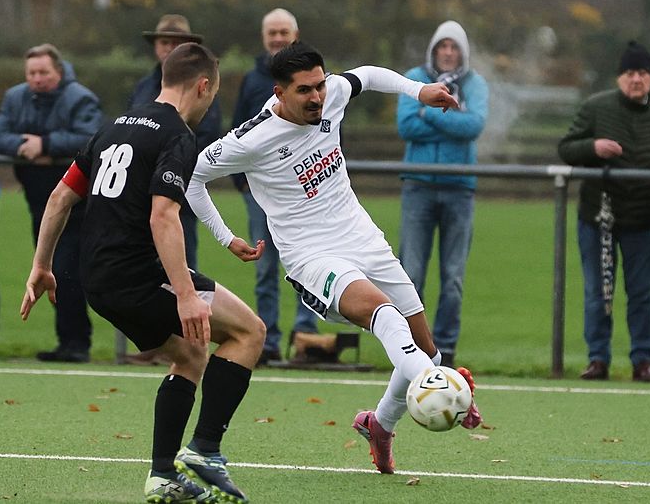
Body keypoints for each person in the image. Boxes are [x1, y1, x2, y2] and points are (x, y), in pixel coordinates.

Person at [185, 42, 482, 475]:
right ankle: (439, 387)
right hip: (312, 257)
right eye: (304, 90)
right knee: (387, 317)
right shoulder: (252, 138)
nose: (317, 97)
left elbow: (370, 75)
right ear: (280, 92)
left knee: (425, 352)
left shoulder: (332, 95)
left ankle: (381, 423)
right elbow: (193, 176)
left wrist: (419, 91)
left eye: (320, 86)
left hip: (362, 238)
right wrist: (226, 237)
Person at [21, 43, 264, 502]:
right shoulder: (177, 135)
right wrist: (187, 295)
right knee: (249, 331)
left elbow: (59, 197)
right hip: (136, 276)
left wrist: (41, 265)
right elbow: (163, 217)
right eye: (213, 94)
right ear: (203, 86)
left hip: (97, 279)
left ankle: (163, 476)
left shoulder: (113, 127)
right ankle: (205, 450)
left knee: (191, 355)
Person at [558, 40, 650, 382]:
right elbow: (566, 148)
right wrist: (593, 147)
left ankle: (643, 361)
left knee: (641, 294)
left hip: (646, 218)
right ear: (619, 78)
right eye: (629, 72)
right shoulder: (595, 107)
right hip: (598, 217)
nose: (636, 79)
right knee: (598, 292)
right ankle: (598, 359)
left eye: (642, 73)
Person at [0, 43, 102, 363]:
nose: (37, 79)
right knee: (49, 269)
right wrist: (24, 146)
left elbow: (92, 137)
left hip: (78, 203)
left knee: (67, 269)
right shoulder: (15, 98)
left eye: (43, 72)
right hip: (37, 200)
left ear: (59, 72)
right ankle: (69, 342)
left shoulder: (81, 98)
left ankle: (76, 343)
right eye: (31, 73)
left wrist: (47, 144)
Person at [396, 20, 489, 368]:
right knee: (410, 274)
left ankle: (445, 349)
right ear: (433, 50)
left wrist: (429, 111)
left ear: (462, 52)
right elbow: (406, 125)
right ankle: (410, 348)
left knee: (453, 277)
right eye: (442, 47)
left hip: (459, 189)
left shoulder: (475, 84)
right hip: (418, 187)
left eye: (454, 47)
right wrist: (451, 118)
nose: (448, 53)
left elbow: (474, 126)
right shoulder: (414, 77)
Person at [231, 8, 321, 365]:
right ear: (263, 37)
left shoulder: (313, 78)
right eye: (272, 33)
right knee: (265, 265)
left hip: (301, 189)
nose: (278, 38)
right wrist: (242, 182)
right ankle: (267, 338)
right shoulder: (253, 80)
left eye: (284, 32)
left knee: (308, 261)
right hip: (260, 193)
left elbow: (327, 124)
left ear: (295, 34)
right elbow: (237, 129)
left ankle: (306, 334)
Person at [130, 13, 222, 272]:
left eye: (177, 43)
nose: (169, 48)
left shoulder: (203, 88)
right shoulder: (142, 87)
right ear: (155, 46)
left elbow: (207, 136)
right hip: (139, 193)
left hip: (179, 188)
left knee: (182, 265)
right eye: (164, 42)